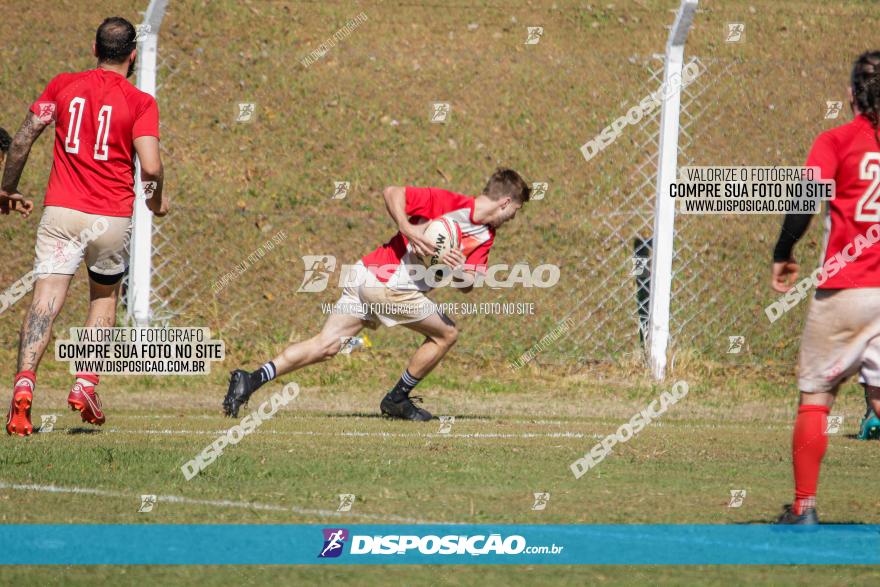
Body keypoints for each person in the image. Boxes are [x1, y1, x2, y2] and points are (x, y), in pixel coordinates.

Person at [223, 168, 530, 421]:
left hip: (365, 276)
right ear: (505, 203)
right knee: (447, 334)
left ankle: (249, 380)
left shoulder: (486, 236)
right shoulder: (448, 202)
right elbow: (392, 191)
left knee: (326, 345)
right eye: (514, 212)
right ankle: (397, 399)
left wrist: (457, 267)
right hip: (387, 284)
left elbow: (469, 284)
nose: (512, 219)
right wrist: (408, 228)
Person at [2, 16, 167, 436]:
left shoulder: (62, 85)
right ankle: (85, 384)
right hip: (110, 217)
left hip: (61, 212)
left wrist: (6, 189)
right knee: (103, 298)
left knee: (46, 298)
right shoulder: (141, 102)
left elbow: (21, 139)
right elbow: (150, 165)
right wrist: (156, 199)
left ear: (94, 49)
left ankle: (24, 386)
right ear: (133, 55)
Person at [771, 51, 880, 523]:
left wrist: (784, 251)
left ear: (851, 94)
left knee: (817, 395)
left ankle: (805, 507)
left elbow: (803, 201)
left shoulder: (836, 139)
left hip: (845, 289)